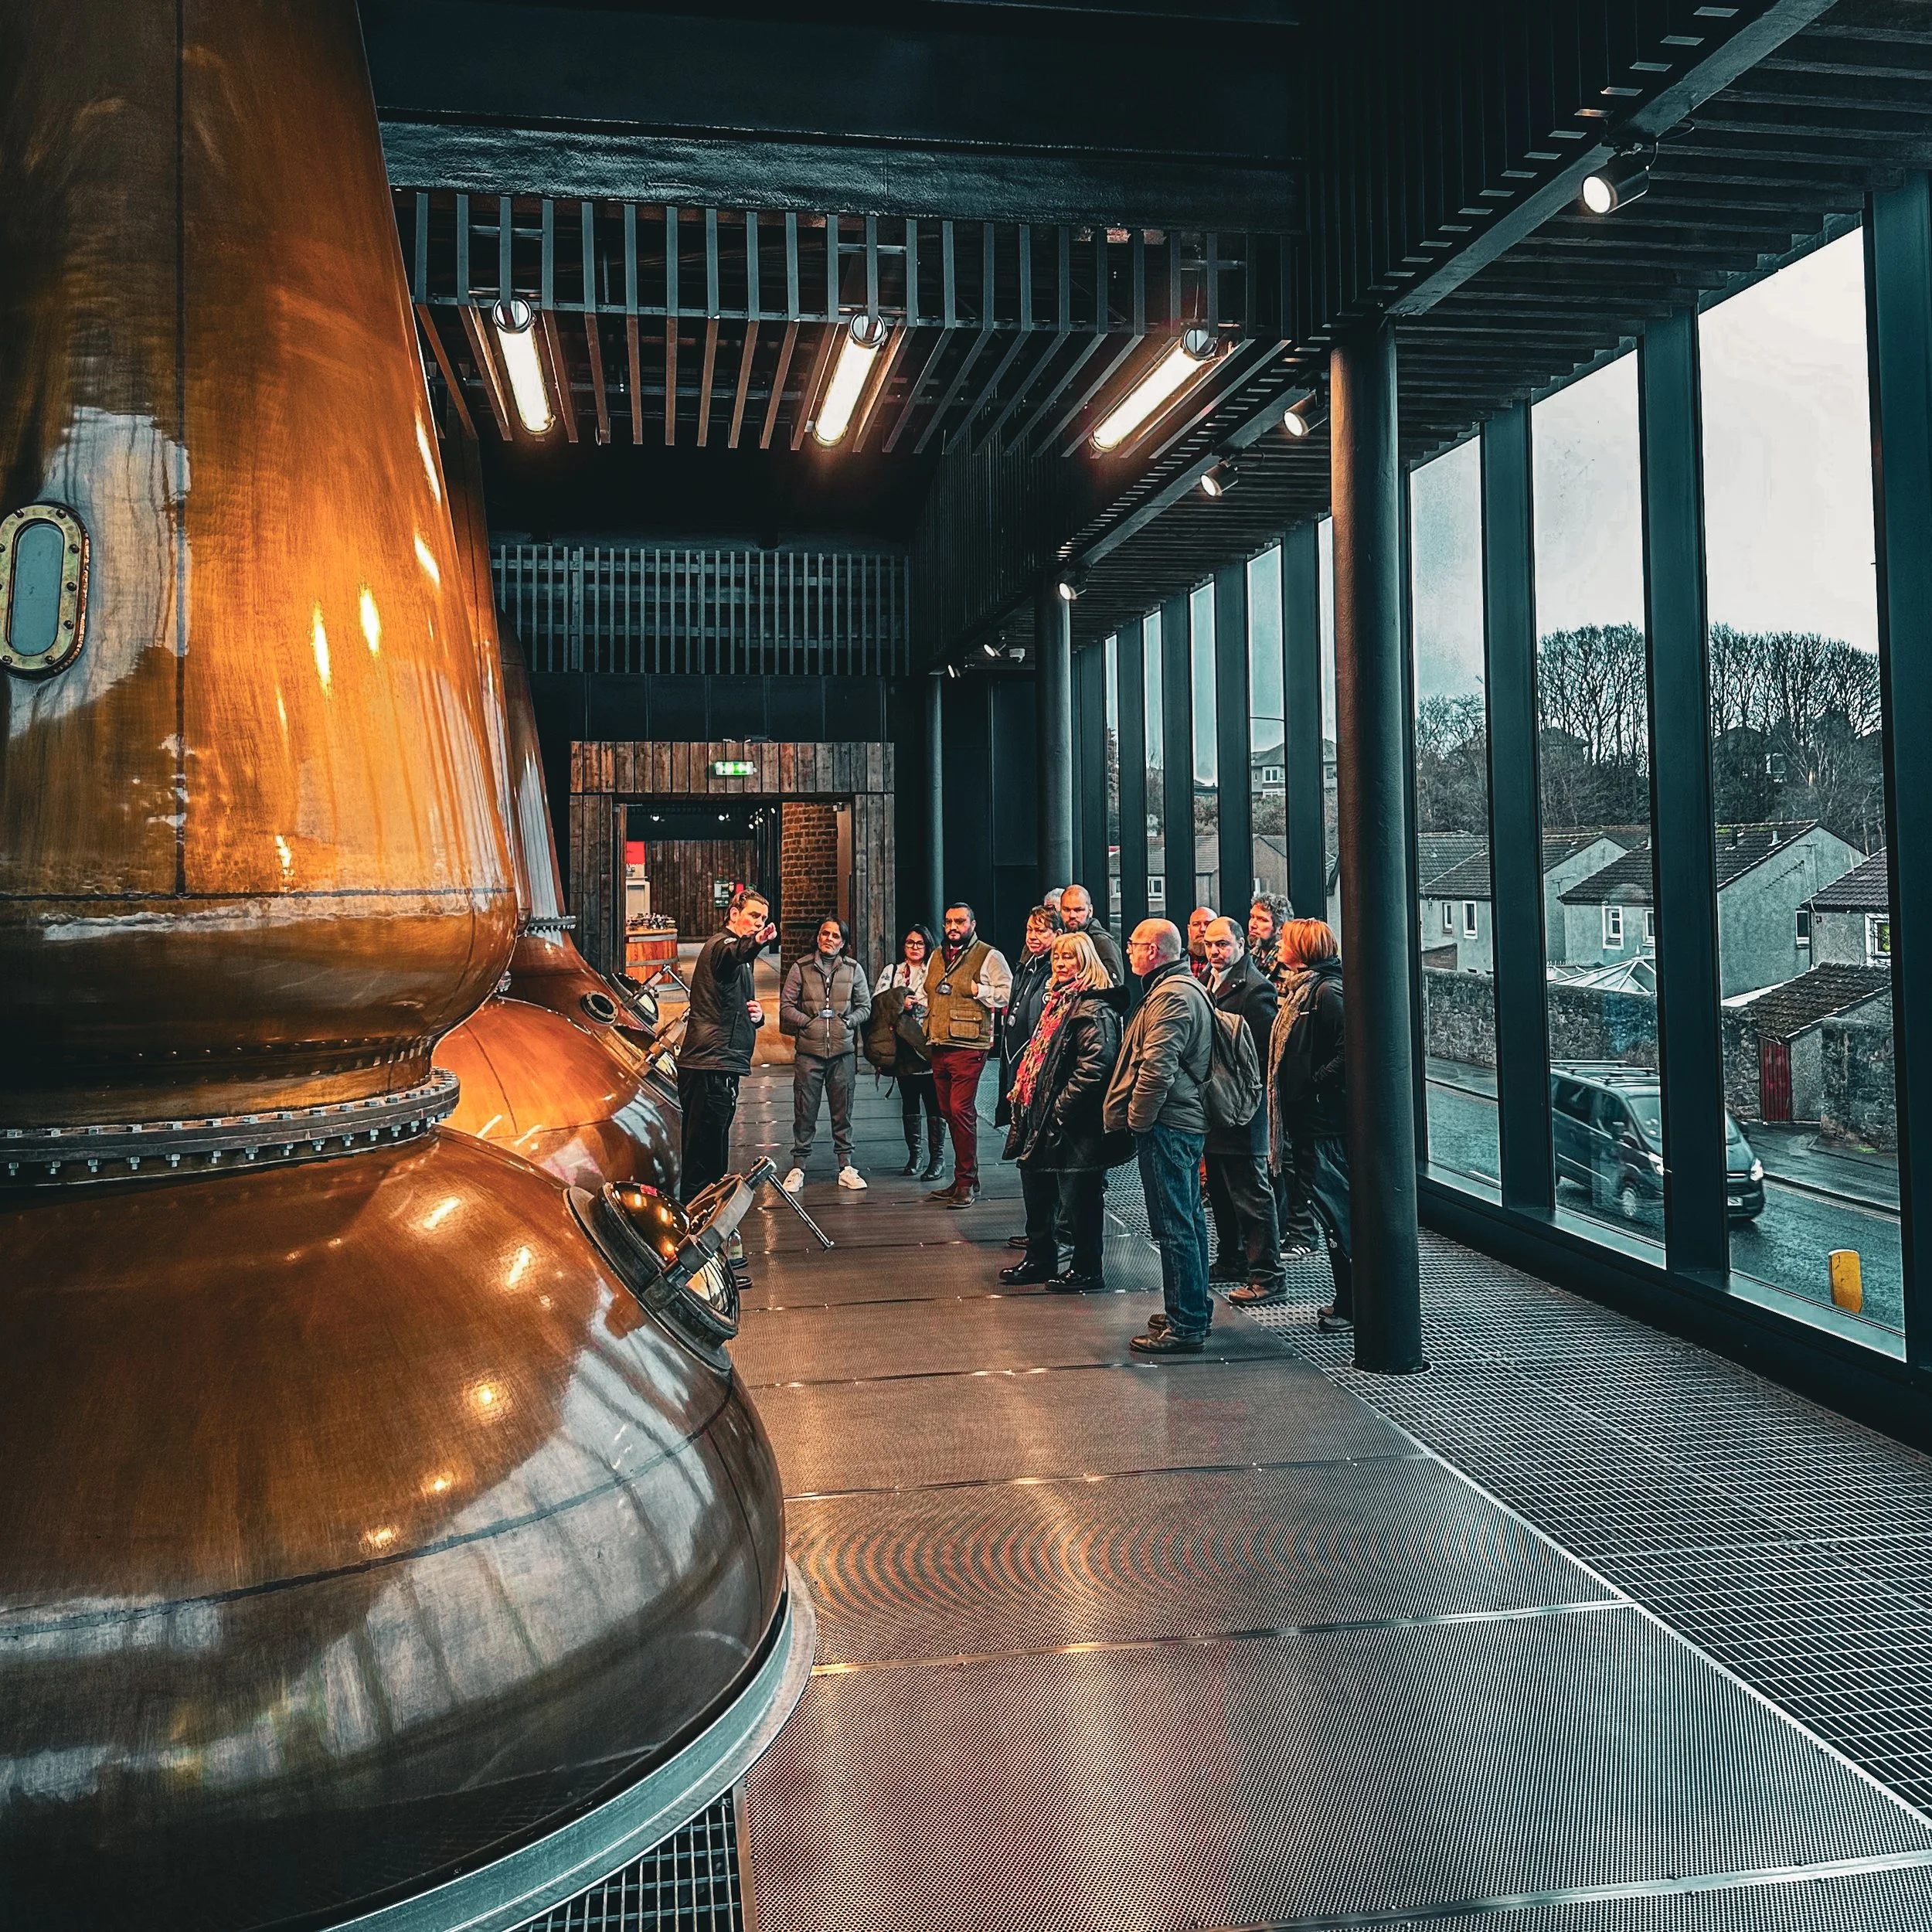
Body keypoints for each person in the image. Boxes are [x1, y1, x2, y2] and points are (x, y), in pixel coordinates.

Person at [1104, 920, 1216, 1355]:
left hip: (1170, 1124)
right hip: (1178, 1122)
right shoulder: (1181, 988)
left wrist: (1138, 1120)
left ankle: (1186, 1323)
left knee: (1174, 1226)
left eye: (1133, 945)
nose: (1127, 951)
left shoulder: (1172, 997)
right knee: (1187, 1220)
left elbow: (1157, 1069)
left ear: (1153, 951)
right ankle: (1191, 1308)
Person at [999, 932, 1128, 1290]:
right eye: (1057, 956)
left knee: (1079, 1201)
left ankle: (1088, 1269)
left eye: (1069, 957)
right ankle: (1041, 1259)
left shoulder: (1094, 1007)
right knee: (1037, 1191)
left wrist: (1058, 1110)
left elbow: (1095, 1068)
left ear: (1086, 960)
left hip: (1075, 1125)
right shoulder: (1057, 1000)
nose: (1060, 963)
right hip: (1041, 1117)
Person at [1266, 918, 1352, 1332]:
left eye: (1285, 939)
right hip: (1309, 1119)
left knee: (1337, 1212)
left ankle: (1352, 1305)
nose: (1279, 943)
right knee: (1329, 1210)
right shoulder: (1306, 990)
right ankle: (1348, 1302)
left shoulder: (1325, 992)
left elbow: (1349, 1052)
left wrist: (1311, 1085)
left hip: (1322, 1123)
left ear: (1302, 949)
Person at [1202, 917, 1285, 1304]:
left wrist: (1246, 1099)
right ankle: (1232, 1258)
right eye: (1209, 945)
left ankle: (1268, 1276)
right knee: (1221, 1190)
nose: (1215, 951)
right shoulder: (1209, 980)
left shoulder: (1255, 990)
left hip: (1243, 1109)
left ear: (1240, 944)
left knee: (1251, 1195)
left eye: (1222, 944)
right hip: (1218, 1107)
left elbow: (1265, 1057)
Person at [677, 885, 776, 1200]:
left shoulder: (739, 956)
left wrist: (756, 1016)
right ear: (734, 914)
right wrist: (756, 943)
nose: (759, 922)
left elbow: (734, 1001)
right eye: (754, 916)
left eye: (763, 918)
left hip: (719, 1064)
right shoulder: (724, 946)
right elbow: (735, 953)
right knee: (703, 1165)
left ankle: (706, 1230)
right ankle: (694, 1234)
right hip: (710, 1065)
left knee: (712, 1161)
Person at [920, 901, 1012, 1208]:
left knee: (960, 1110)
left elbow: (1006, 992)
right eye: (948, 922)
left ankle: (965, 1183)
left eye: (960, 922)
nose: (953, 928)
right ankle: (966, 1178)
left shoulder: (989, 955)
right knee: (948, 1112)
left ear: (973, 925)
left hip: (969, 1046)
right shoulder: (936, 956)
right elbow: (928, 990)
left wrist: (979, 991)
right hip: (939, 1042)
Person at [779, 916, 872, 1193]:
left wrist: (847, 1022)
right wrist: (808, 1022)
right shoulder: (801, 967)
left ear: (843, 942)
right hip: (809, 1053)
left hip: (843, 1052)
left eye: (835, 936)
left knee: (843, 1112)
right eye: (824, 934)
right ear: (818, 937)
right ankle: (798, 1167)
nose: (828, 939)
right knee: (804, 1111)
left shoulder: (854, 969)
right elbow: (785, 1007)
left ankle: (845, 1167)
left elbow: (865, 1007)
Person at [876, 925, 943, 1178]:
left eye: (920, 943)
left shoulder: (937, 970)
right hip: (903, 1046)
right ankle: (915, 1155)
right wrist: (899, 1003)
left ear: (927, 946)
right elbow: (878, 1002)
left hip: (929, 1043)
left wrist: (919, 1005)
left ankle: (937, 1159)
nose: (915, 947)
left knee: (934, 1102)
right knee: (909, 1100)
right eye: (910, 942)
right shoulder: (892, 971)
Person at [1058, 884, 1124, 984]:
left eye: (1078, 910)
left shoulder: (1102, 941)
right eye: (1066, 910)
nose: (1072, 915)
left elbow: (1116, 984)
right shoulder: (1061, 938)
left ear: (1090, 911)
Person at [1248, 893, 1294, 976]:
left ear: (1281, 928)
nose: (1252, 925)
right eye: (1252, 917)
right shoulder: (1248, 959)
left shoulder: (1290, 963)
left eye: (1261, 919)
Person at [1185, 905, 1217, 981]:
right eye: (1196, 924)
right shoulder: (1178, 961)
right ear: (1189, 930)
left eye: (1208, 924)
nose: (1203, 929)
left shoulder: (1225, 961)